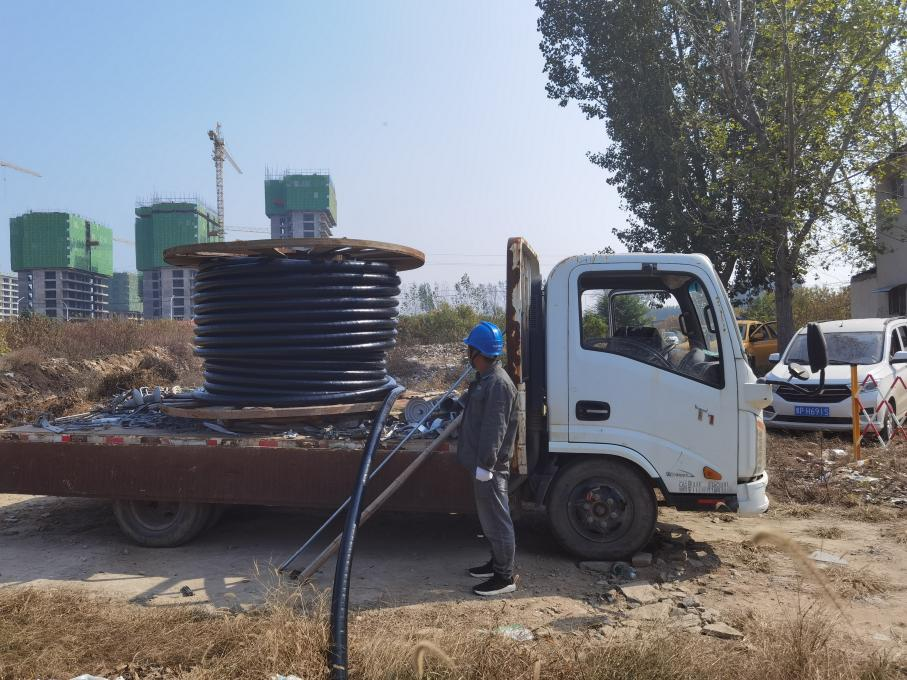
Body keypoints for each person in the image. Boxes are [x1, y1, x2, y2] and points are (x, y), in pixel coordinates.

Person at [458, 321, 518, 596]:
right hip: (482, 464)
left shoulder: (498, 384)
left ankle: (504, 577)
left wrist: (485, 464)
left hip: (490, 466)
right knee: (489, 518)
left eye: (470, 348)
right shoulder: (486, 379)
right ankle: (496, 563)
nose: (467, 353)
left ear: (478, 352)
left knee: (497, 519)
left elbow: (495, 429)